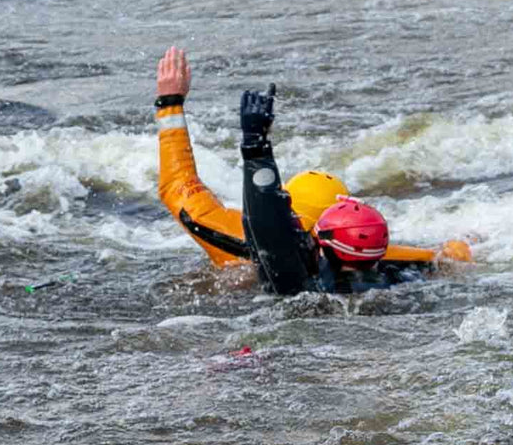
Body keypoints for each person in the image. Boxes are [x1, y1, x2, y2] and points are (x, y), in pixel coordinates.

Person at [153, 47, 469, 290]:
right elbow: (449, 256)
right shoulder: (383, 257)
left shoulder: (236, 238)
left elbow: (177, 185)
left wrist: (170, 102)